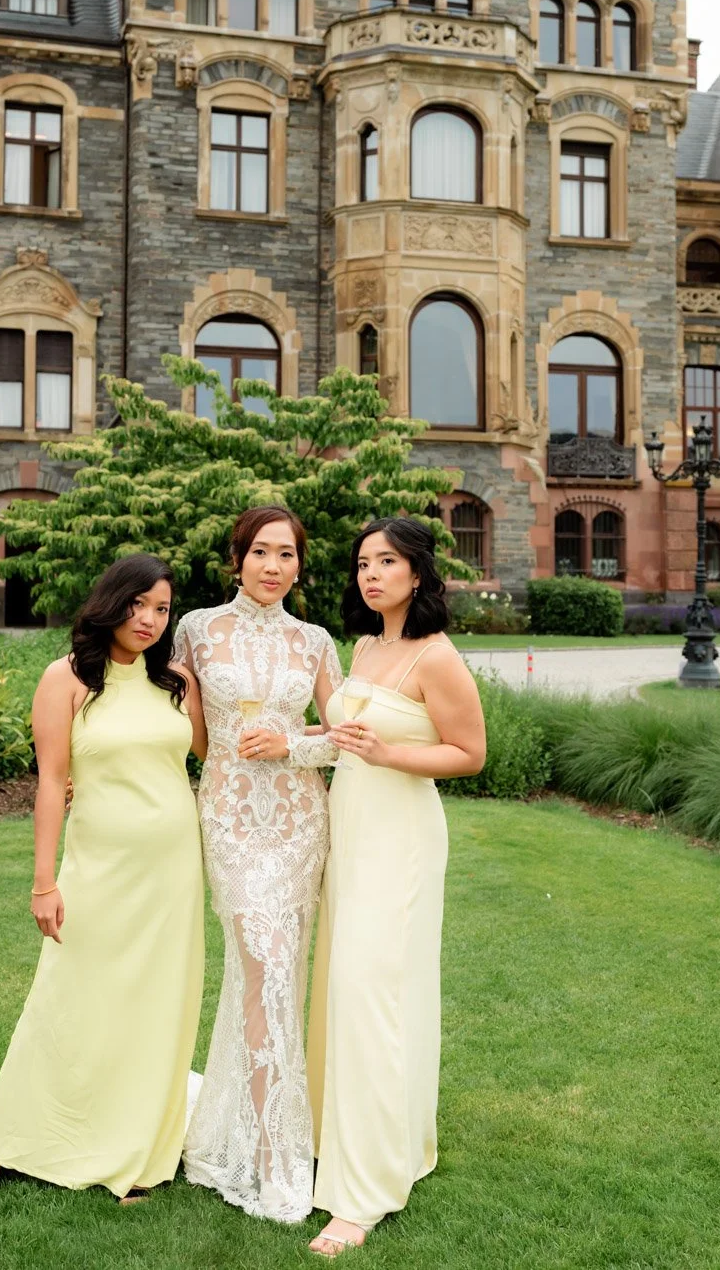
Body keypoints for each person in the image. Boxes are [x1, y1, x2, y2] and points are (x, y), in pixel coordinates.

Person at [0, 554, 206, 1202]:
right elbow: (51, 783)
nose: (150, 619)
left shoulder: (176, 681)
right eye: (139, 604)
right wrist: (44, 882)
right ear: (111, 602)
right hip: (98, 868)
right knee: (63, 1002)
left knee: (155, 1006)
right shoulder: (64, 679)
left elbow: (214, 757)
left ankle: (140, 1155)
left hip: (172, 870)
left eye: (162, 608)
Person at [307, 517, 486, 1256]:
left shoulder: (435, 656)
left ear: (418, 572)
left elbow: (470, 754)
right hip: (351, 826)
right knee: (343, 988)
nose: (370, 573)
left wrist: (389, 752)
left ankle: (368, 1189)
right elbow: (344, 732)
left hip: (402, 835)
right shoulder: (367, 645)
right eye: (361, 563)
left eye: (386, 561)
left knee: (370, 988)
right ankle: (346, 1139)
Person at [174, 506, 342, 1222]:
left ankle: (262, 1135)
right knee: (264, 965)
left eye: (287, 555)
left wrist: (293, 746)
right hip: (233, 823)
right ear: (236, 558)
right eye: (261, 553)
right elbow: (193, 739)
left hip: (301, 822)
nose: (274, 567)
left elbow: (342, 735)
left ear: (300, 565)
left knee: (274, 975)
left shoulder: (316, 641)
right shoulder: (196, 630)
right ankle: (273, 1150)